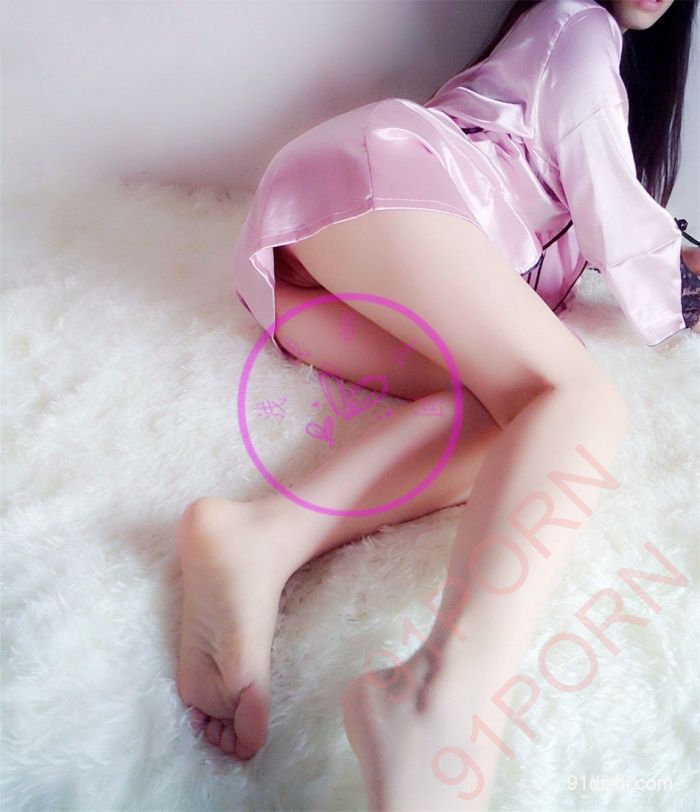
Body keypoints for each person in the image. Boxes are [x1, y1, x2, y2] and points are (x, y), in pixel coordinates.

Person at [176, 0, 700, 808]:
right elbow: (610, 197)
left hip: (330, 264)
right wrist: (681, 287)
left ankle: (262, 539)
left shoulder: (574, 57)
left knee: (520, 419)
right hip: (376, 187)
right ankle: (439, 698)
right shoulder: (576, 22)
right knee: (585, 402)